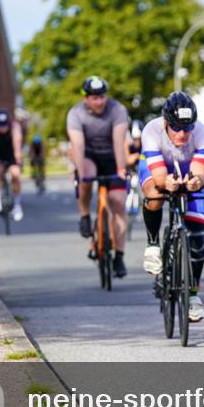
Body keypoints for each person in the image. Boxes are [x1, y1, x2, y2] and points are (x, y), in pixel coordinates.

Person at [139, 92, 204, 323]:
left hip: (187, 170)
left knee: (198, 239)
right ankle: (153, 244)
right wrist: (165, 183)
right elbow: (160, 177)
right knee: (155, 194)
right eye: (176, 128)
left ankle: (193, 296)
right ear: (165, 123)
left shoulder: (203, 133)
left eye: (187, 128)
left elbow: (200, 174)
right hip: (157, 169)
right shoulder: (151, 130)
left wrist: (195, 182)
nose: (182, 134)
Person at [66, 75, 130, 278]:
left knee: (118, 202)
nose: (99, 101)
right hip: (89, 156)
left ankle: (119, 256)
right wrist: (80, 171)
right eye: (94, 97)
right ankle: (85, 215)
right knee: (85, 178)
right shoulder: (75, 114)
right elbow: (78, 145)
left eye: (102, 96)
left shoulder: (117, 110)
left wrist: (121, 168)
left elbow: (119, 141)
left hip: (112, 156)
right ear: (86, 98)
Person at [0, 110, 24, 221]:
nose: (3, 128)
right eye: (0, 125)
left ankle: (17, 206)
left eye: (5, 125)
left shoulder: (15, 127)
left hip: (11, 154)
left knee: (16, 174)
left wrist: (18, 159)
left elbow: (17, 143)